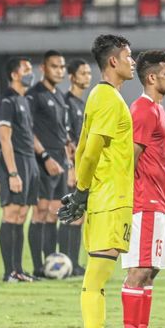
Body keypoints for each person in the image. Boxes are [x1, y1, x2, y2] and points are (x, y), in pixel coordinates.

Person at [58, 34, 136, 328]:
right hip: (109, 198)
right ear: (113, 61)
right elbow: (88, 150)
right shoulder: (108, 98)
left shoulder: (105, 96)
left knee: (99, 275)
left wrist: (83, 191)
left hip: (109, 196)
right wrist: (82, 190)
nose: (133, 61)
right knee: (97, 276)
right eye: (129, 56)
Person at [119, 50, 165, 328]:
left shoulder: (157, 108)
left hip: (160, 202)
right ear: (152, 77)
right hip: (145, 203)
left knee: (150, 271)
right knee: (138, 270)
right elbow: (130, 158)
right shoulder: (142, 109)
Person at [27, 50, 72, 278]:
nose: (59, 71)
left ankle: (49, 264)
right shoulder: (34, 95)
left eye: (62, 67)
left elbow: (62, 132)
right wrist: (44, 156)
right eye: (54, 66)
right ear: (43, 69)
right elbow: (29, 129)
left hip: (60, 162)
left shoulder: (60, 97)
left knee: (54, 213)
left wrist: (68, 156)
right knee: (40, 212)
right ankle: (36, 267)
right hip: (43, 162)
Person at [0, 57, 39, 282]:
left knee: (22, 214)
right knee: (11, 214)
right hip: (16, 163)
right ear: (14, 74)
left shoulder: (24, 100)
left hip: (30, 161)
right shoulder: (7, 101)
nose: (30, 73)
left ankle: (18, 269)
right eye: (26, 69)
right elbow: (5, 139)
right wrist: (12, 173)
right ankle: (8, 272)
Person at [60, 58, 92, 276]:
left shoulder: (83, 103)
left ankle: (73, 262)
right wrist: (71, 166)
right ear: (72, 77)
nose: (87, 77)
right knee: (71, 213)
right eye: (82, 73)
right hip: (70, 167)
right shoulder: (66, 103)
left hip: (81, 167)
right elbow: (66, 138)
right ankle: (65, 261)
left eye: (89, 73)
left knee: (79, 216)